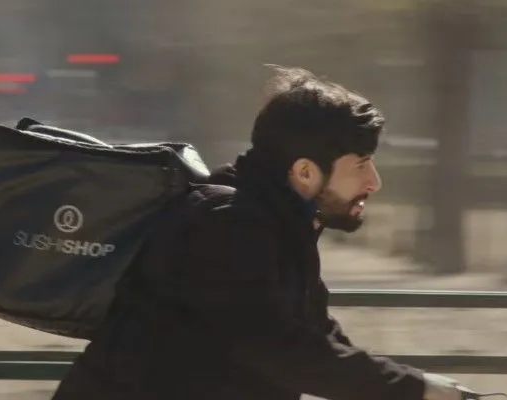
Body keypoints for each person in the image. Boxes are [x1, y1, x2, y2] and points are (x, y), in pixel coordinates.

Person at [52, 65, 471, 400]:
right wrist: (414, 390)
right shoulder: (227, 225)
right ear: (305, 171)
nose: (374, 182)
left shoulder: (278, 223)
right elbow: (279, 348)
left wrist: (414, 385)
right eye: (360, 164)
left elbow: (316, 336)